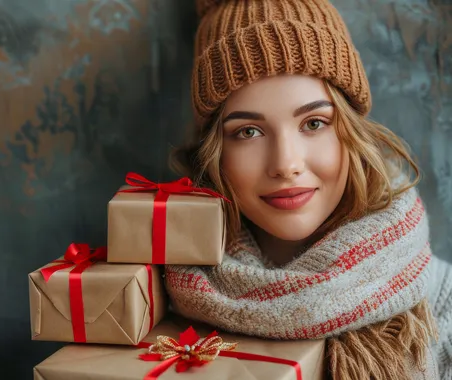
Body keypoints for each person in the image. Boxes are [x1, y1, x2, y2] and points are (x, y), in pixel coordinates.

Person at [164, 1, 452, 379]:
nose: (285, 164)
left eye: (314, 123)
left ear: (350, 133)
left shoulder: (442, 303)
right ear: (215, 154)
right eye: (248, 132)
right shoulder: (155, 300)